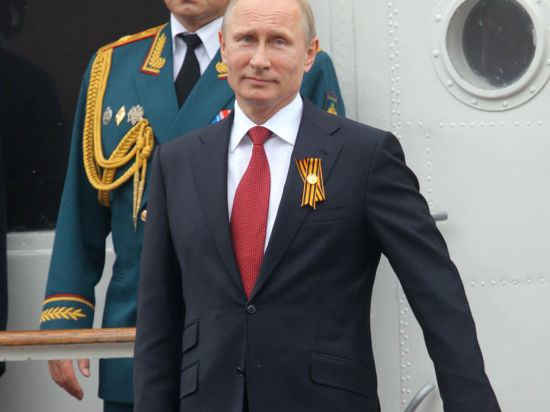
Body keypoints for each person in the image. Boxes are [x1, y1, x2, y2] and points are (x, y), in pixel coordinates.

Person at [133, 0, 501, 411]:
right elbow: (157, 319)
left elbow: (435, 292)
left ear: (309, 54)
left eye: (278, 42)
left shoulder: (364, 156)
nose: (259, 60)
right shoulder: (176, 163)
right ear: (223, 47)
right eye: (246, 40)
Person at [39, 0, 345, 410]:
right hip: (136, 335)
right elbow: (82, 208)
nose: (260, 53)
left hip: (251, 348)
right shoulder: (113, 66)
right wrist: (65, 316)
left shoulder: (289, 61)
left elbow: (317, 212)